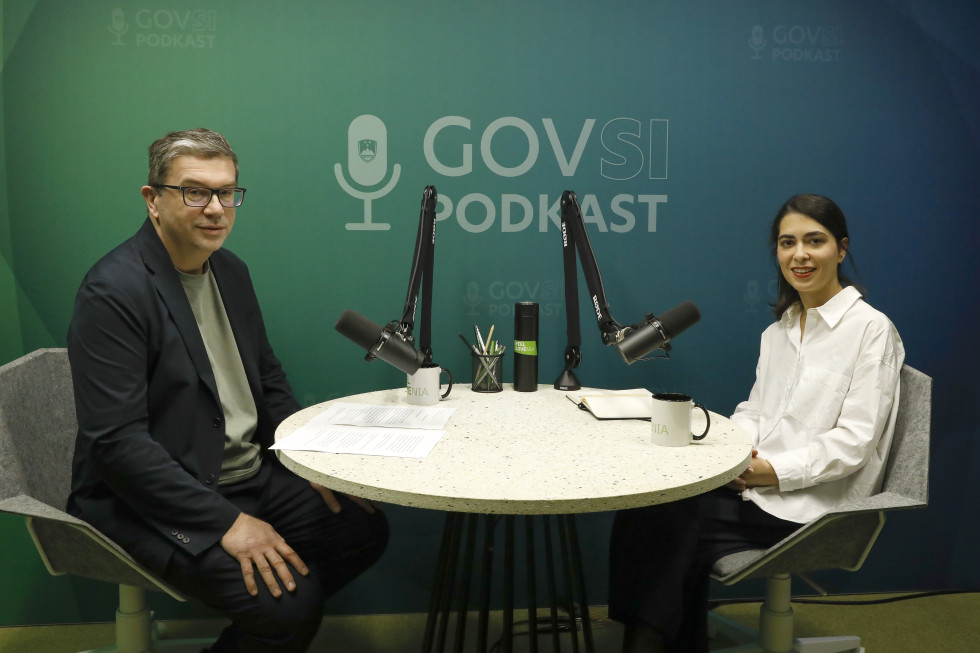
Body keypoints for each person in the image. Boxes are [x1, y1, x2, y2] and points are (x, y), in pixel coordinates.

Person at [67, 128, 389, 653]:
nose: (216, 208)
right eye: (195, 192)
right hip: (149, 498)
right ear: (153, 199)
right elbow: (117, 444)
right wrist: (227, 523)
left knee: (361, 528)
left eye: (226, 192)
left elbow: (268, 380)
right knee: (286, 607)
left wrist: (312, 463)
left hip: (246, 474)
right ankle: (280, 621)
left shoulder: (231, 271)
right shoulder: (113, 291)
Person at [608, 194, 905, 653]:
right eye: (788, 243)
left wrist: (770, 472)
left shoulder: (871, 330)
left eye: (815, 241)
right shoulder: (779, 331)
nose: (800, 254)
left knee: (671, 518)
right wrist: (731, 454)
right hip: (755, 486)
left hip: (813, 506)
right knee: (650, 497)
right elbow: (756, 411)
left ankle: (646, 644)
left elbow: (854, 443)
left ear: (841, 250)